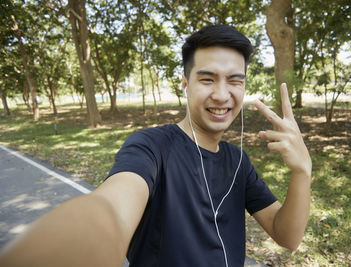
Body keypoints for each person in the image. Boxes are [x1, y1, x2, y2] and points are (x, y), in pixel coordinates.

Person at [0, 25, 311, 267]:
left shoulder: (238, 161)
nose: (221, 94)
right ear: (185, 83)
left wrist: (302, 173)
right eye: (207, 79)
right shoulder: (151, 147)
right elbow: (110, 208)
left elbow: (288, 236)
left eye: (234, 80)